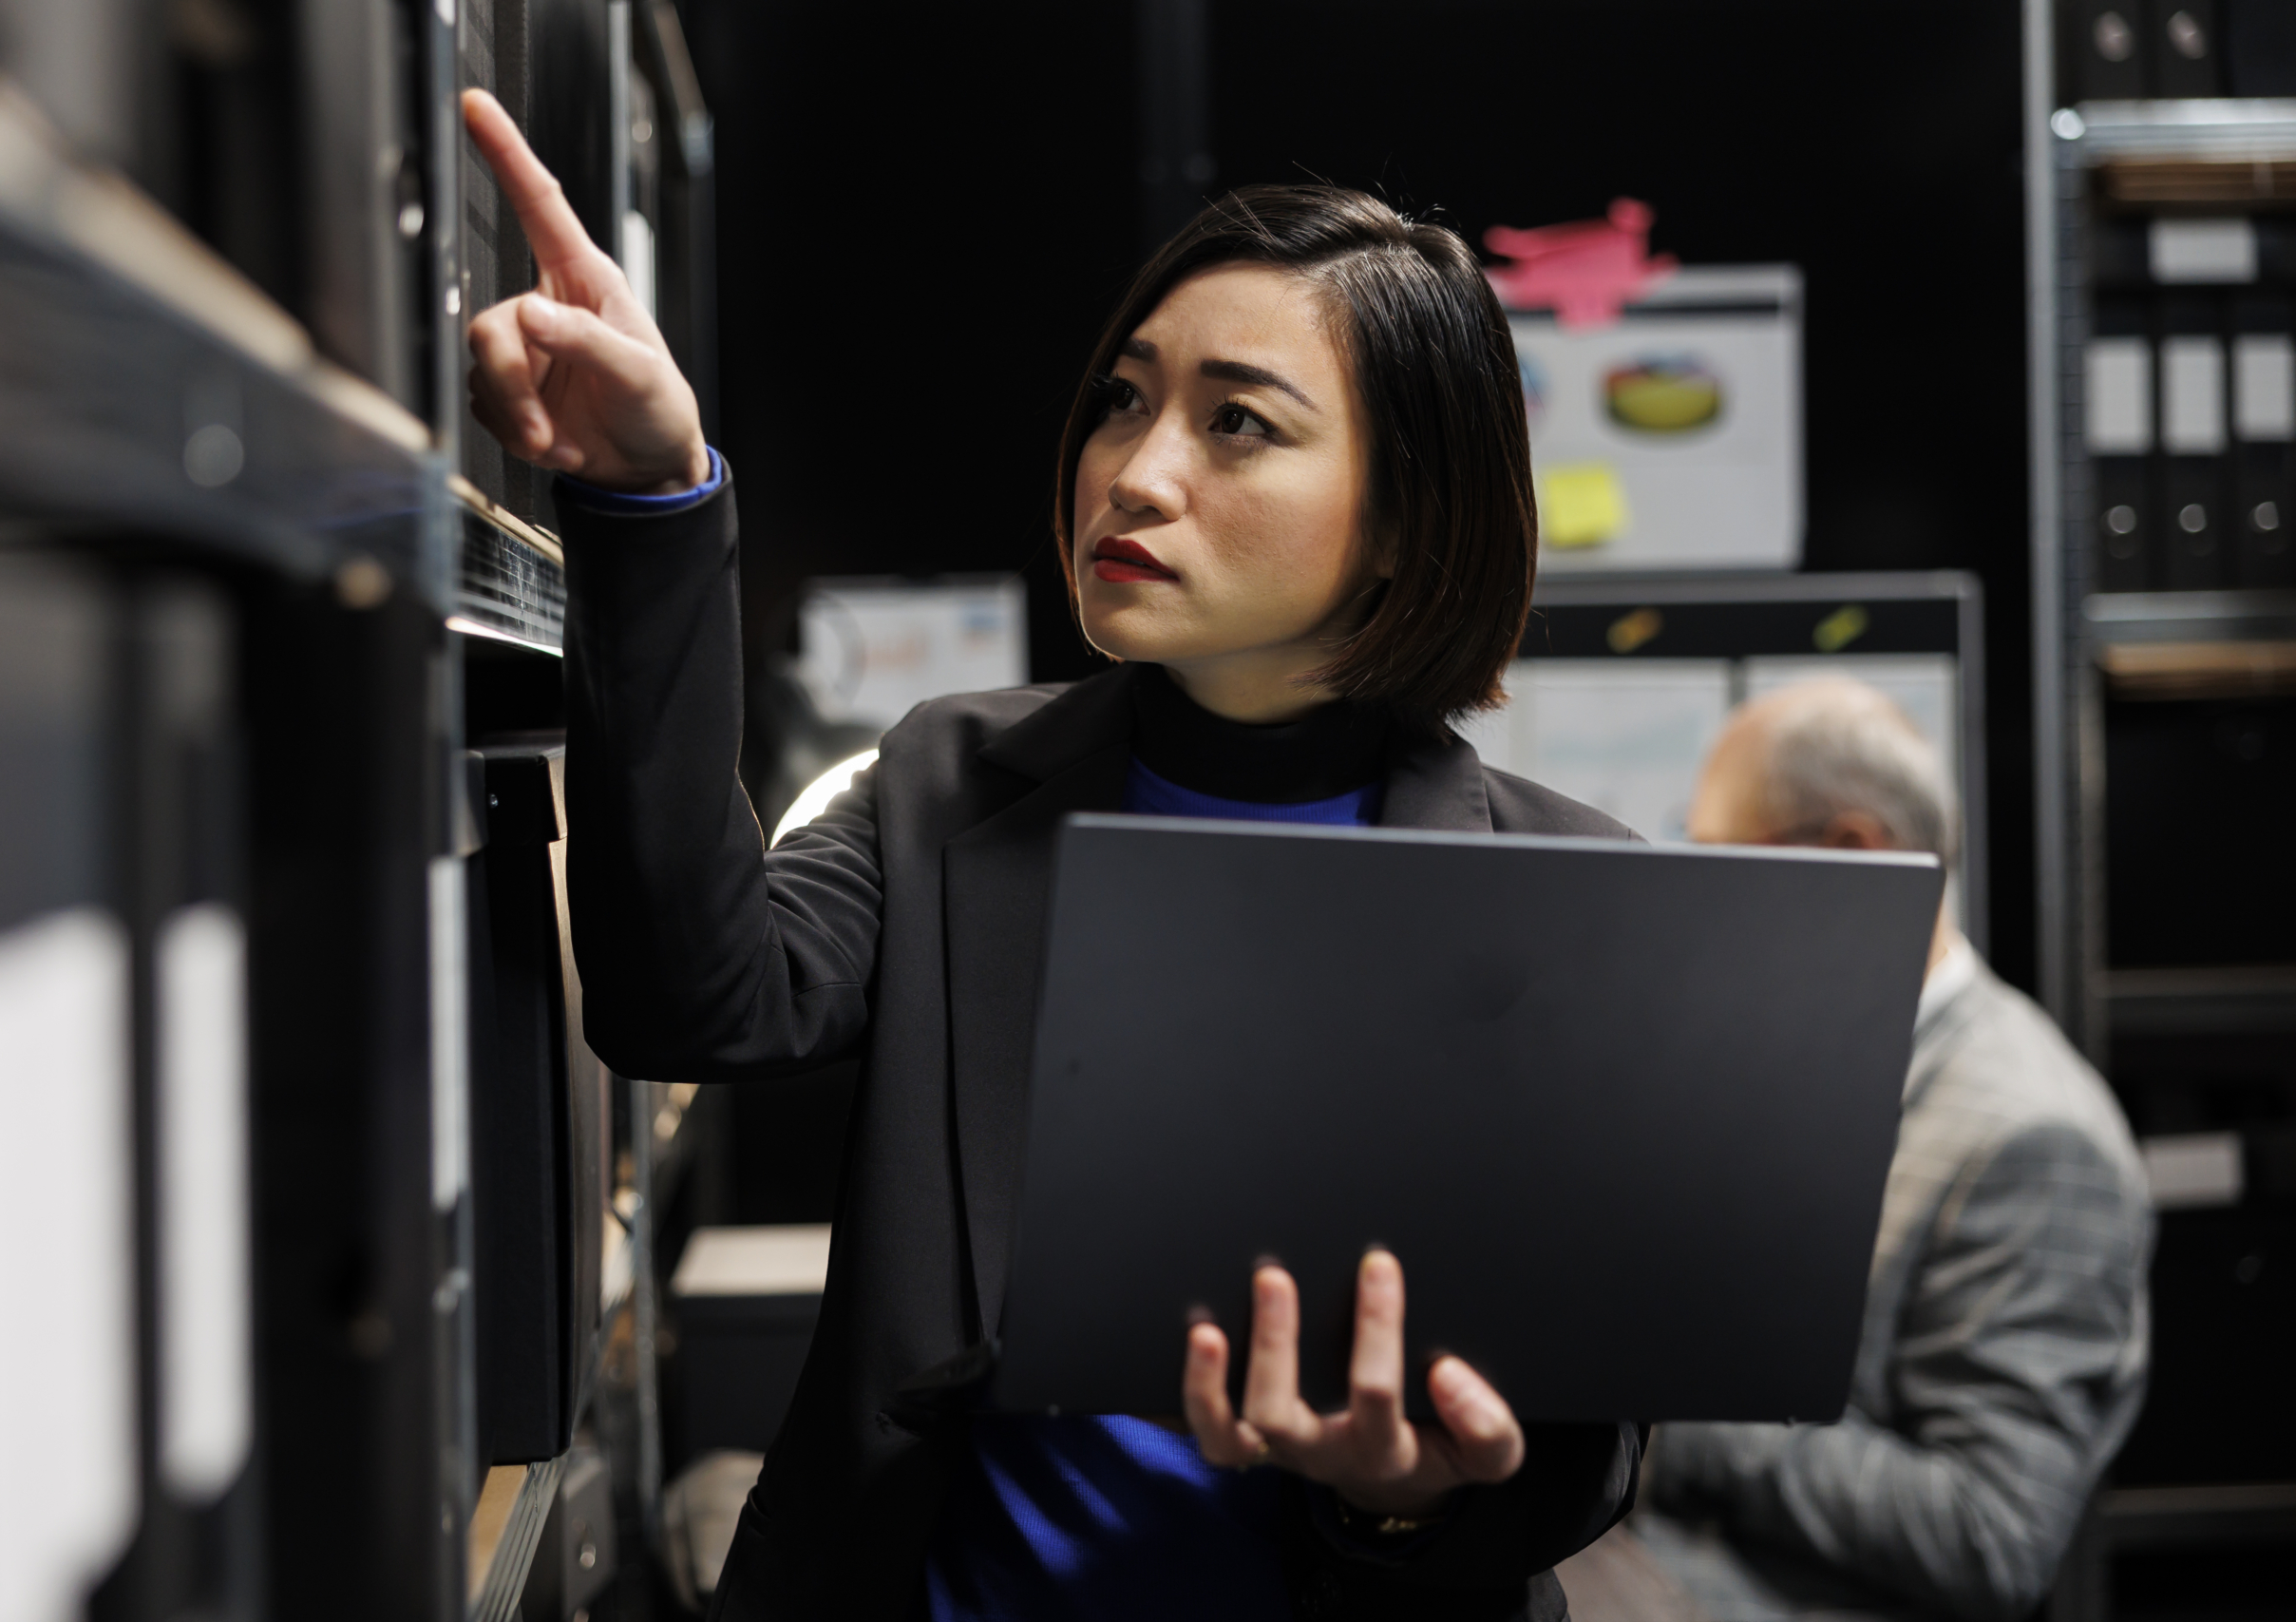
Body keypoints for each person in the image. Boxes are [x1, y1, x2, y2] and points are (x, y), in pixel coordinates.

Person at [459, 89, 1644, 1621]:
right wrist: (652, 496)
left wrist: (1398, 1494)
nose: (1136, 473)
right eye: (1123, 400)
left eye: (1239, 423)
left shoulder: (1561, 897)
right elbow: (694, 994)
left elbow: (1586, 1440)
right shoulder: (951, 783)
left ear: (1411, 516)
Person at [1599, 678, 2152, 1622]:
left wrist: (1680, 1411)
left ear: (1852, 850)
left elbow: (1992, 1534)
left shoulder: (2032, 1139)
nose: (1696, 897)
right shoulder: (1796, 1055)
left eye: (1717, 858)